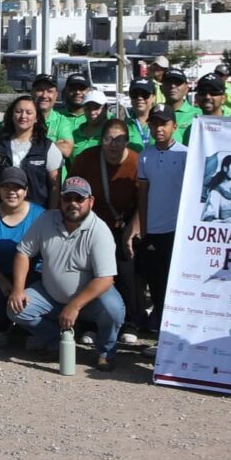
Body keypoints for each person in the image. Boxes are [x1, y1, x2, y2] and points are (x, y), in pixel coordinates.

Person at [10, 176, 124, 367]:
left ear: (91, 201)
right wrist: (18, 289)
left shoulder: (100, 231)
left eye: (79, 198)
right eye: (67, 198)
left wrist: (75, 306)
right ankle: (57, 341)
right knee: (16, 309)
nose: (73, 203)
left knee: (113, 310)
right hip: (50, 294)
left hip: (89, 300)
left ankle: (106, 351)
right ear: (60, 200)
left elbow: (105, 279)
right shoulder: (46, 219)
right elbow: (23, 253)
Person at [69, 117, 144, 338]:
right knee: (89, 272)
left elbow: (143, 199)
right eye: (108, 139)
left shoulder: (136, 162)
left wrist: (134, 227)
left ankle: (130, 323)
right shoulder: (86, 159)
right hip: (91, 223)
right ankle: (89, 323)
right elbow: (71, 190)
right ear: (101, 140)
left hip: (123, 224)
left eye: (119, 140)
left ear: (127, 142)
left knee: (126, 271)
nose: (113, 145)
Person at [135, 112, 189, 336]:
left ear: (174, 126)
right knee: (156, 282)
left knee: (175, 282)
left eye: (164, 124)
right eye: (154, 124)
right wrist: (144, 228)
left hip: (177, 230)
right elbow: (143, 195)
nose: (159, 128)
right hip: (153, 229)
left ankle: (175, 329)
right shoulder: (145, 155)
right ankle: (159, 325)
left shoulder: (186, 154)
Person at [0, 172, 42, 344]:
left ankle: (32, 329)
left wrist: (20, 288)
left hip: (31, 275)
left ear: (25, 191)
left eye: (17, 187)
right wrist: (1, 280)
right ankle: (0, 325)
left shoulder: (40, 215)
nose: (11, 192)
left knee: (27, 305)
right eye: (6, 187)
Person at [0, 95, 58, 210]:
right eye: (18, 111)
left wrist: (52, 213)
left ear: (37, 118)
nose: (23, 116)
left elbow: (55, 186)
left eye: (29, 113)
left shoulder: (47, 147)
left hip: (38, 215)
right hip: (3, 212)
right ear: (12, 115)